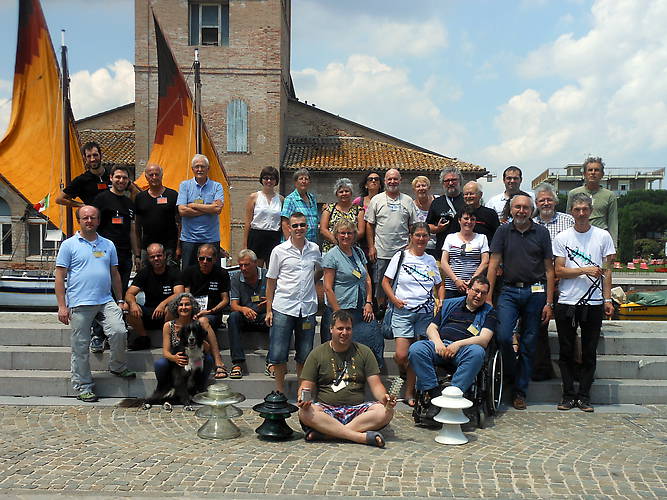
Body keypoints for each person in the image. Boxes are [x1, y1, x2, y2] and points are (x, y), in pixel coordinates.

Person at [54, 206, 135, 403]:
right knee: (80, 346)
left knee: (119, 331)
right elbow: (59, 276)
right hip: (80, 302)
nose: (89, 221)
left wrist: (120, 300)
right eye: (85, 218)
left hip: (105, 300)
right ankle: (83, 386)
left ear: (98, 221)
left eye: (93, 217)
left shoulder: (108, 244)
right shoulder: (69, 245)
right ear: (79, 221)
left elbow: (115, 274)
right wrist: (62, 306)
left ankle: (117, 366)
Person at [487, 194, 555, 410]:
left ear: (531, 210)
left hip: (536, 292)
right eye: (517, 207)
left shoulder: (541, 233)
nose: (521, 211)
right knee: (503, 336)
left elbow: (549, 269)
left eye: (525, 207)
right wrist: (488, 297)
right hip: (509, 290)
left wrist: (549, 302)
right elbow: (493, 264)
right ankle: (511, 374)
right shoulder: (503, 231)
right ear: (511, 209)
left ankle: (520, 391)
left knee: (529, 342)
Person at [297, 310, 396, 448]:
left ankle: (329, 434)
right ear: (331, 329)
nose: (344, 332)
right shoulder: (317, 354)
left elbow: (376, 385)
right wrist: (302, 398)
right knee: (305, 412)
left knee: (385, 411)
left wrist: (385, 398)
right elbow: (306, 385)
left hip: (357, 411)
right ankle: (359, 437)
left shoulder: (364, 352)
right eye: (340, 328)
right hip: (327, 410)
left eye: (348, 329)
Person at [553, 193, 615, 412]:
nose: (581, 213)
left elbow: (608, 271)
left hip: (594, 302)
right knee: (566, 350)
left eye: (585, 209)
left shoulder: (603, 236)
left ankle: (585, 396)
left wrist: (608, 299)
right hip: (567, 301)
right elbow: (559, 270)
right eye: (577, 209)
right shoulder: (562, 237)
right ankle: (568, 395)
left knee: (589, 351)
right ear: (571, 211)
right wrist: (584, 270)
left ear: (591, 211)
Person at [409, 275, 497, 417]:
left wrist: (458, 344)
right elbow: (431, 328)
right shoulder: (450, 304)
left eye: (483, 293)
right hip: (440, 346)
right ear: (468, 289)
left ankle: (453, 395)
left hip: (465, 350)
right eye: (476, 291)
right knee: (416, 349)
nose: (479, 296)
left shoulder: (489, 312)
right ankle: (434, 394)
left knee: (477, 352)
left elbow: (484, 339)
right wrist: (438, 342)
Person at [382, 222, 444, 407]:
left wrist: (440, 300)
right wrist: (394, 300)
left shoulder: (431, 260)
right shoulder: (401, 256)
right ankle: (404, 370)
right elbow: (385, 282)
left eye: (424, 235)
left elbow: (439, 284)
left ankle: (410, 392)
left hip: (425, 314)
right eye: (417, 235)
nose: (421, 239)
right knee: (402, 355)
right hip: (403, 312)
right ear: (411, 236)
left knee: (416, 354)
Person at [266, 212, 323, 393]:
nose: (299, 228)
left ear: (307, 227)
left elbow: (320, 270)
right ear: (289, 228)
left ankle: (301, 392)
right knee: (278, 354)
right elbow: (271, 281)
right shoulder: (279, 251)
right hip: (283, 307)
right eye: (295, 225)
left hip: (307, 308)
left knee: (305, 354)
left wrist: (310, 283)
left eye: (302, 225)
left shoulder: (314, 249)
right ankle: (279, 392)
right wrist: (268, 310)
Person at [321, 219, 382, 367]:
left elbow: (367, 279)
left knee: (374, 340)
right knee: (341, 351)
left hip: (361, 309)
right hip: (341, 309)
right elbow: (327, 287)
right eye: (342, 233)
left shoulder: (358, 252)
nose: (346, 236)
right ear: (336, 235)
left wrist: (369, 302)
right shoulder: (331, 256)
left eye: (349, 233)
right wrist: (338, 313)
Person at [532, 182, 575, 381]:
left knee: (568, 327)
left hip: (566, 281)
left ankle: (573, 369)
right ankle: (542, 369)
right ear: (536, 203)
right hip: (540, 281)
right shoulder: (531, 223)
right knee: (539, 325)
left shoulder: (568, 221)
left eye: (549, 199)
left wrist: (560, 274)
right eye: (542, 200)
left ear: (555, 201)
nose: (546, 203)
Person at [365, 168, 418, 309]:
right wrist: (371, 247)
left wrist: (411, 246)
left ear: (400, 181)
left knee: (401, 283)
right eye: (390, 179)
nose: (392, 181)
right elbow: (369, 225)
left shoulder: (408, 200)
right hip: (382, 252)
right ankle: (382, 311)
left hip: (402, 253)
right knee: (380, 285)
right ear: (385, 181)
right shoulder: (377, 200)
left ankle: (397, 309)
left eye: (395, 179)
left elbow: (413, 226)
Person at [153, 293, 227, 393]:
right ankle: (162, 389)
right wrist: (175, 358)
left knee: (208, 359)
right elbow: (165, 352)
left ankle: (200, 388)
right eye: (181, 305)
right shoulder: (168, 325)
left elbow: (207, 348)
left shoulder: (198, 324)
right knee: (160, 364)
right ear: (176, 307)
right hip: (177, 360)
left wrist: (198, 336)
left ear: (192, 307)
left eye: (187, 304)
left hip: (195, 359)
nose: (184, 307)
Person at [123, 243, 184, 351]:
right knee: (126, 306)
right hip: (149, 312)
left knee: (173, 306)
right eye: (152, 257)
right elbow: (129, 293)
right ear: (148, 258)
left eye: (159, 255)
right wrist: (133, 304)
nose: (156, 259)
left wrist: (162, 304)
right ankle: (143, 338)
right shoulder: (144, 273)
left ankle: (169, 337)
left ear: (164, 256)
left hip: (167, 314)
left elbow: (179, 294)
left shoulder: (174, 272)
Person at [92, 165, 140, 292]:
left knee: (121, 291)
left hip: (125, 255)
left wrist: (137, 255)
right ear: (111, 178)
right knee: (104, 291)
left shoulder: (129, 203)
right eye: (118, 177)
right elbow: (91, 225)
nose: (121, 180)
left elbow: (132, 230)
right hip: (104, 254)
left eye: (124, 178)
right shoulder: (101, 199)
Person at [177, 154, 224, 268]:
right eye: (197, 166)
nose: (199, 169)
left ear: (208, 168)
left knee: (212, 273)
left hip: (211, 239)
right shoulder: (184, 185)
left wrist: (193, 205)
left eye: (202, 166)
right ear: (192, 169)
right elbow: (182, 211)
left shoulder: (217, 186)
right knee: (188, 274)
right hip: (189, 239)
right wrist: (209, 208)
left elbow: (218, 209)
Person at [228, 249, 269, 379]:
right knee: (233, 317)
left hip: (263, 317)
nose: (243, 268)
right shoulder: (236, 278)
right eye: (240, 265)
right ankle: (237, 363)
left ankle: (272, 361)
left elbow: (280, 298)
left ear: (255, 263)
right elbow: (233, 305)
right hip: (246, 317)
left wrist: (271, 302)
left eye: (246, 265)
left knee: (277, 318)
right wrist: (243, 309)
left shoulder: (267, 276)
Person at [181, 244, 230, 340]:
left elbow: (225, 300)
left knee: (202, 321)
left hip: (212, 313)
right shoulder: (189, 272)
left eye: (209, 259)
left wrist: (210, 311)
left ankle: (213, 349)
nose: (205, 262)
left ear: (215, 259)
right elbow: (187, 295)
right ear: (197, 258)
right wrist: (192, 312)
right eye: (202, 258)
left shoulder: (222, 273)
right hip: (192, 311)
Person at [566, 156, 618, 247]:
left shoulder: (609, 195)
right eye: (590, 170)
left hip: (600, 238)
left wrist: (613, 245)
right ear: (584, 174)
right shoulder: (573, 193)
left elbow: (613, 222)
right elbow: (568, 219)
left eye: (596, 170)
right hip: (578, 238)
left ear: (602, 174)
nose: (593, 173)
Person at [135, 164, 180, 265]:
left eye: (157, 174)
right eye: (151, 175)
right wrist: (137, 252)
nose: (154, 177)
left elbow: (179, 224)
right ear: (146, 177)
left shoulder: (173, 195)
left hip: (169, 248)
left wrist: (178, 247)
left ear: (162, 175)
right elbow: (137, 227)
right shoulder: (140, 197)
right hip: (147, 248)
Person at [441, 207, 489, 298]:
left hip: (473, 288)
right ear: (459, 220)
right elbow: (444, 262)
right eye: (466, 218)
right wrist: (456, 280)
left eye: (472, 219)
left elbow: (485, 262)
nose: (469, 222)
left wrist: (472, 281)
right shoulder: (450, 237)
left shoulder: (482, 238)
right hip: (452, 287)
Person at [243, 166, 283, 267]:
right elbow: (247, 222)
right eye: (266, 178)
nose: (269, 181)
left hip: (274, 237)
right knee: (257, 269)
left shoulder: (281, 199)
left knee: (273, 269)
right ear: (262, 179)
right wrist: (245, 245)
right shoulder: (254, 197)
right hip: (257, 237)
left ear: (276, 181)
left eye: (272, 178)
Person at [426, 167, 465, 260]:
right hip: (443, 251)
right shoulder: (437, 202)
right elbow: (428, 226)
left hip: (465, 250)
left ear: (460, 181)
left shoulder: (467, 200)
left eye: (453, 180)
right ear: (443, 183)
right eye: (447, 181)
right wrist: (437, 228)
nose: (450, 183)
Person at [55, 141, 110, 208]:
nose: (92, 159)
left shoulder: (113, 174)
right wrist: (82, 205)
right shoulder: (81, 180)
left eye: (95, 155)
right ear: (85, 158)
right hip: (95, 214)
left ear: (101, 155)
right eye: (89, 156)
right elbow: (60, 199)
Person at [320, 178, 365, 254]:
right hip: (331, 249)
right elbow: (323, 229)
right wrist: (337, 242)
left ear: (351, 193)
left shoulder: (359, 210)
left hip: (351, 250)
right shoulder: (329, 209)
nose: (344, 194)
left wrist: (347, 242)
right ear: (336, 194)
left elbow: (361, 232)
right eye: (341, 192)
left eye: (347, 191)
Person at [281, 168, 318, 243]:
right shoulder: (290, 199)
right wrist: (291, 244)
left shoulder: (312, 198)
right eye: (301, 179)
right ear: (295, 182)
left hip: (311, 243)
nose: (304, 181)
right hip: (296, 243)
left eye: (306, 179)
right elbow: (284, 224)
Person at [412, 176, 438, 257]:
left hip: (437, 245)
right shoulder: (411, 206)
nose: (421, 188)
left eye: (423, 185)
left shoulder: (438, 201)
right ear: (414, 189)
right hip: (420, 246)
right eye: (418, 186)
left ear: (429, 187)